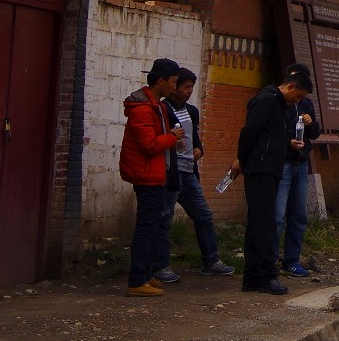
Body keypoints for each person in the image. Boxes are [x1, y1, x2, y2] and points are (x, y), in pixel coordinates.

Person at [231, 64, 313, 296]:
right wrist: (242, 159)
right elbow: (249, 133)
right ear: (289, 86)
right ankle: (265, 275)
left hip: (270, 168)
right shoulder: (267, 100)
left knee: (259, 224)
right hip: (260, 169)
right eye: (297, 96)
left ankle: (254, 277)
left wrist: (287, 142)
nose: (296, 102)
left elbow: (272, 134)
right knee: (265, 223)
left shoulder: (279, 104)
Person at [120, 57, 184, 297]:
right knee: (146, 228)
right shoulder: (143, 110)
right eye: (173, 82)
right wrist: (172, 138)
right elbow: (148, 144)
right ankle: (137, 280)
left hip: (157, 173)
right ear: (161, 81)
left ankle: (145, 275)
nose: (174, 88)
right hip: (148, 176)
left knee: (152, 226)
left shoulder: (156, 105)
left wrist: (170, 140)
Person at [163, 69, 233, 278]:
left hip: (188, 172)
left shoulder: (191, 111)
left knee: (203, 215)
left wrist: (199, 150)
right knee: (164, 220)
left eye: (192, 87)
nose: (189, 91)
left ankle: (211, 261)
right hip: (171, 173)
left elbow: (195, 137)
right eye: (186, 87)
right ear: (174, 87)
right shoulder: (163, 109)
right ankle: (160, 265)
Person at [273, 81, 322, 277]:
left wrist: (311, 124)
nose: (298, 99)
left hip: (301, 163)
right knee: (277, 215)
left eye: (302, 96)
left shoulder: (306, 105)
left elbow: (315, 134)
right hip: (283, 162)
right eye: (298, 95)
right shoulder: (276, 102)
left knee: (299, 215)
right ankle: (270, 259)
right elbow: (272, 131)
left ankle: (291, 260)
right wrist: (287, 142)